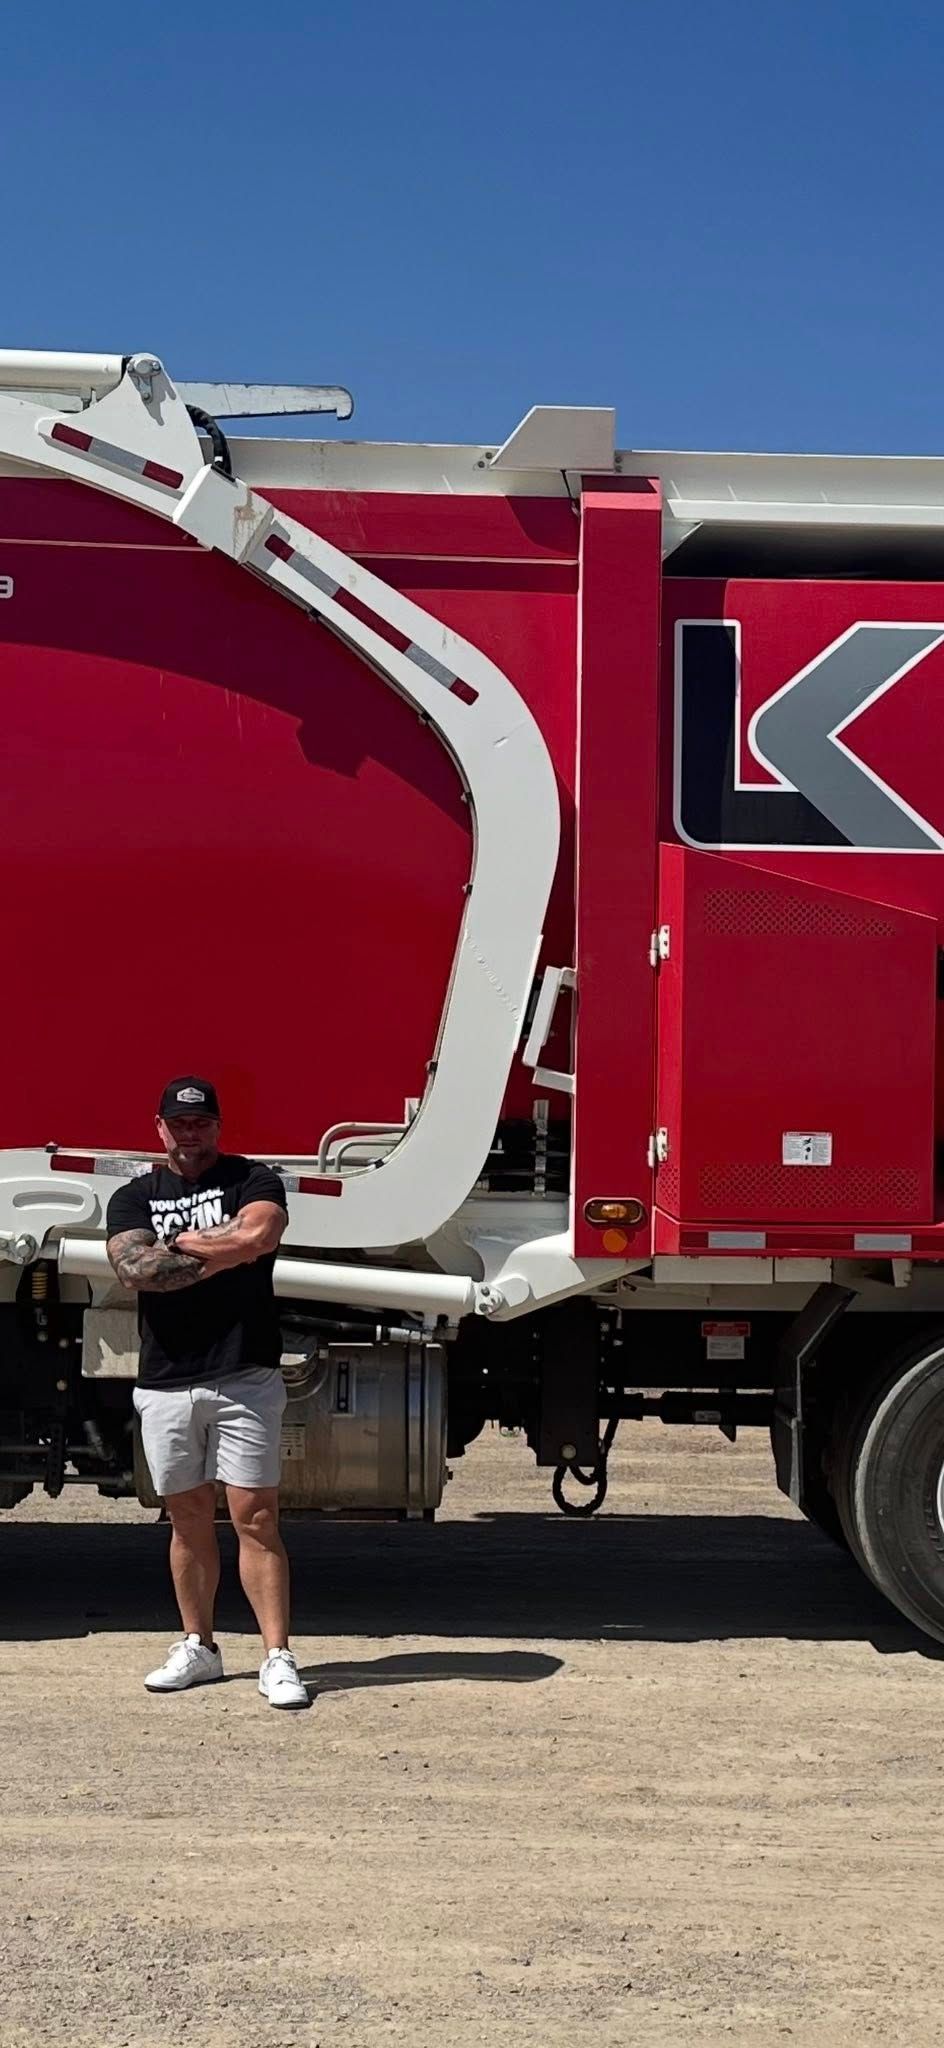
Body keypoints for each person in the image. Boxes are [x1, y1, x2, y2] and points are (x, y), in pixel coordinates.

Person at [105, 1076, 309, 1709]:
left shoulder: (255, 1179)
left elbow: (260, 1235)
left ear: (217, 1126)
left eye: (201, 1122)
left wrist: (186, 1246)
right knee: (187, 1520)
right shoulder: (133, 1196)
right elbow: (137, 1271)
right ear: (160, 1128)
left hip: (244, 1374)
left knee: (256, 1517)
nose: (190, 1133)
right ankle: (200, 1647)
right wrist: (224, 1252)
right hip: (165, 1380)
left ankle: (277, 1657)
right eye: (179, 1123)